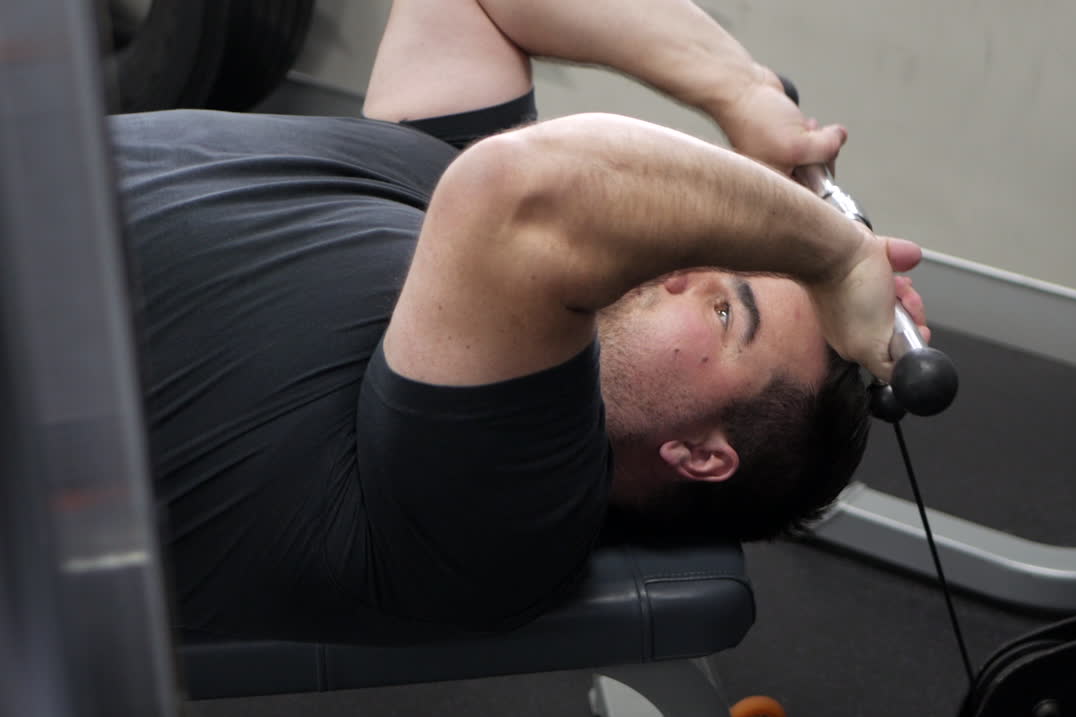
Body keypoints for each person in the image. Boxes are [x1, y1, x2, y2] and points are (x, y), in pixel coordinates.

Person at [113, 0, 929, 645]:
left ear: (701, 455)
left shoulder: (509, 509)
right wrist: (742, 92)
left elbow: (534, 191)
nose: (683, 266)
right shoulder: (450, 196)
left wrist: (832, 255)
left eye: (724, 310)